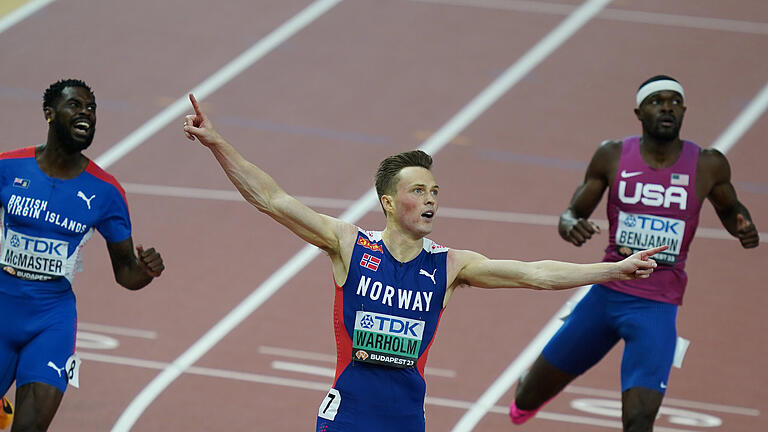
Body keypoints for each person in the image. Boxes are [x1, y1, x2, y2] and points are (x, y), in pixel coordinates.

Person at [182, 93, 667, 432]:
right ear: (389, 203)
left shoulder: (450, 266)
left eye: (435, 191)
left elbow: (534, 274)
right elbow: (271, 198)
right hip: (348, 417)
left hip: (407, 421)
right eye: (418, 191)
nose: (431, 199)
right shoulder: (349, 246)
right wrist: (218, 143)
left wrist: (614, 269)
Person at [510, 75, 760, 432]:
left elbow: (731, 208)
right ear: (639, 112)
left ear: (684, 110)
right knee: (526, 398)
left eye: (674, 101)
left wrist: (743, 227)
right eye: (657, 101)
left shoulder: (708, 165)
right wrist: (570, 225)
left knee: (640, 420)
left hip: (657, 307)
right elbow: (572, 213)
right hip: (606, 295)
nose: (667, 107)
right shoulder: (612, 155)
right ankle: (526, 393)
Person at [0, 79, 165, 431]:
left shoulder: (106, 192)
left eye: (91, 108)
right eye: (75, 105)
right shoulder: (8, 168)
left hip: (50, 319)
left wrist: (146, 272)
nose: (86, 113)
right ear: (49, 114)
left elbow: (126, 274)